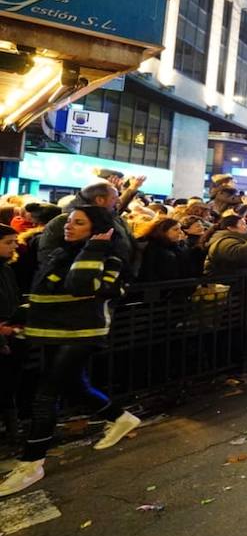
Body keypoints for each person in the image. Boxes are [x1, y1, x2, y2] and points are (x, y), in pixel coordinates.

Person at [0, 206, 141, 497]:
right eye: (69, 221)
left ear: (99, 229)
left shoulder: (109, 256)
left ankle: (32, 463)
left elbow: (81, 285)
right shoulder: (63, 253)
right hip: (54, 330)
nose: (69, 227)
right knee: (76, 386)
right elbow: (46, 292)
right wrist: (17, 317)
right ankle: (120, 417)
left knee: (45, 394)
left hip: (83, 333)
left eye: (79, 223)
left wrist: (95, 247)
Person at [38, 181, 134, 269]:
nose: (119, 201)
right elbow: (47, 256)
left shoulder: (114, 219)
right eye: (114, 198)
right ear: (100, 200)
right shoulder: (61, 221)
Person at [0, 226, 23, 456]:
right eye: (9, 242)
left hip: (11, 332)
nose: (15, 246)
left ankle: (13, 429)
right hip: (3, 335)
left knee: (8, 384)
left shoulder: (6, 269)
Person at [203, 213, 247, 277]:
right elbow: (239, 254)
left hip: (245, 280)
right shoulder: (224, 241)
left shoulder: (238, 239)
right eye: (242, 224)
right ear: (230, 228)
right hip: (230, 283)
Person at [134, 217, 197, 282]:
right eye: (175, 229)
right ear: (163, 232)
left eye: (180, 229)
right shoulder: (152, 247)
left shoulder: (175, 245)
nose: (180, 232)